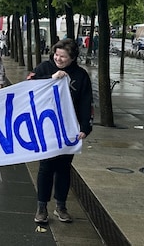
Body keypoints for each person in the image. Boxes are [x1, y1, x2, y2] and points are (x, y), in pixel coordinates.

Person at [28, 38, 92, 224]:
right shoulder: (44, 68)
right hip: (47, 128)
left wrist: (85, 127)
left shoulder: (81, 76)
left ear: (72, 58)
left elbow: (86, 102)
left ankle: (61, 206)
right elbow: (29, 87)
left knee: (64, 168)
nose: (59, 59)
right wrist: (51, 79)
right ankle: (41, 207)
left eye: (63, 56)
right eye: (56, 55)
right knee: (46, 167)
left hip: (69, 130)